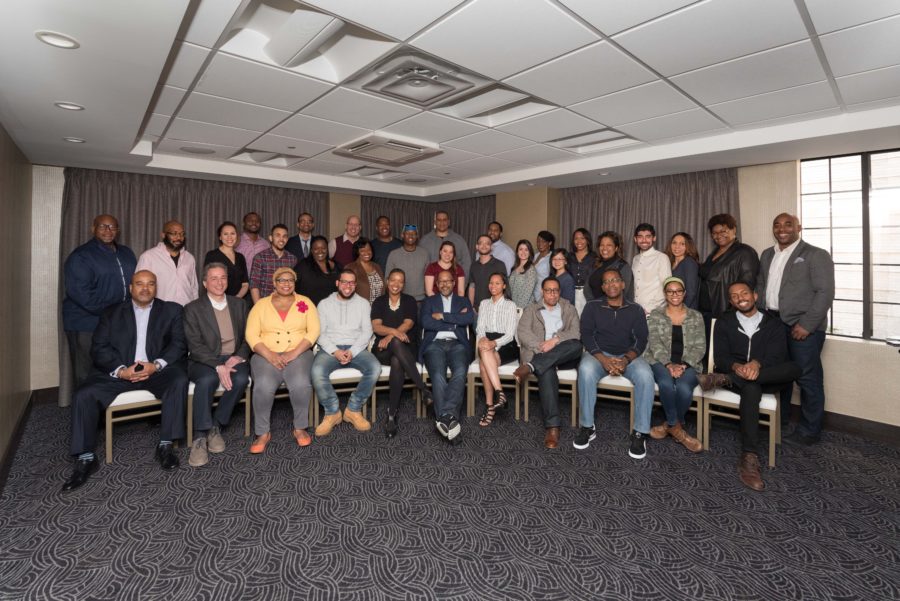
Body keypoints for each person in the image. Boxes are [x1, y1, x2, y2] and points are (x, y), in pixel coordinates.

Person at [63, 270, 188, 491]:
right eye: (139, 284)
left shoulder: (171, 310)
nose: (145, 288)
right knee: (83, 394)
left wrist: (155, 365)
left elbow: (178, 344)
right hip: (121, 371)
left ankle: (166, 445)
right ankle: (86, 457)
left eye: (150, 284)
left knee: (178, 379)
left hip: (155, 370)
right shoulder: (111, 313)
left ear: (155, 288)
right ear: (131, 288)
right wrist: (121, 371)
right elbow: (98, 348)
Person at [699, 281, 801, 491]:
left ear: (755, 295)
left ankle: (723, 379)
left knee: (794, 368)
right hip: (740, 375)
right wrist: (737, 367)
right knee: (751, 388)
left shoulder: (773, 323)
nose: (740, 298)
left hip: (764, 375)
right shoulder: (724, 322)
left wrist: (757, 365)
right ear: (730, 301)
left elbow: (777, 355)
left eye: (744, 293)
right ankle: (749, 457)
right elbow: (721, 357)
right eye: (734, 295)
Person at [757, 213, 834, 445]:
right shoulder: (767, 254)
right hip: (772, 323)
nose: (782, 229)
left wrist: (807, 325)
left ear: (798, 227)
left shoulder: (815, 254)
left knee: (807, 378)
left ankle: (810, 431)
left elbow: (825, 292)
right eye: (777, 224)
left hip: (802, 326)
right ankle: (780, 423)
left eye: (788, 224)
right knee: (781, 376)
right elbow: (762, 285)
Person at [574, 268, 654, 460]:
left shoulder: (635, 309)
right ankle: (587, 426)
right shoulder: (592, 307)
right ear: (602, 287)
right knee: (584, 370)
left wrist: (626, 360)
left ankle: (640, 432)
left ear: (623, 284)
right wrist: (604, 359)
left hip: (628, 356)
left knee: (646, 376)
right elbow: (586, 335)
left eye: (615, 280)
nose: (611, 284)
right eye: (607, 282)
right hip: (599, 356)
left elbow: (641, 339)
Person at [183, 263, 251, 467]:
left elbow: (249, 338)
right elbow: (194, 345)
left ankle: (216, 425)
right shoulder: (192, 308)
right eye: (214, 278)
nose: (219, 282)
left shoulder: (239, 305)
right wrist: (217, 365)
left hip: (233, 357)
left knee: (240, 379)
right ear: (205, 283)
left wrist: (238, 357)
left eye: (223, 277)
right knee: (207, 379)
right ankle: (199, 436)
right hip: (203, 360)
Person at [245, 267, 319, 453]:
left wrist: (293, 354)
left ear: (295, 283)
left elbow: (314, 331)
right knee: (262, 385)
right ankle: (262, 433)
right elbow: (251, 335)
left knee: (301, 383)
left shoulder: (305, 302)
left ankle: (300, 428)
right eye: (281, 280)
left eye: (290, 280)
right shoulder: (261, 305)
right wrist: (270, 355)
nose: (286, 284)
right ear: (274, 283)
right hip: (265, 355)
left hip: (299, 353)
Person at [63, 214, 137, 387]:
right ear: (93, 228)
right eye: (103, 226)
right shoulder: (81, 256)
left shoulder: (126, 253)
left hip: (115, 322)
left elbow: (133, 284)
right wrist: (115, 313)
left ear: (117, 230)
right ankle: (84, 410)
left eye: (112, 227)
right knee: (86, 371)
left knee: (113, 366)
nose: (108, 230)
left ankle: (106, 409)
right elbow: (82, 295)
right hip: (85, 323)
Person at [513, 276, 583, 449]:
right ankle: (553, 427)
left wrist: (555, 341)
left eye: (555, 290)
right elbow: (522, 332)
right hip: (540, 353)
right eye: (548, 290)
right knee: (547, 370)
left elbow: (575, 332)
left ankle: (530, 366)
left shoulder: (569, 309)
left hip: (564, 354)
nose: (552, 294)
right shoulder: (532, 310)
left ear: (559, 292)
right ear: (542, 292)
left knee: (576, 345)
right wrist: (541, 347)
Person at [311, 269, 381, 436]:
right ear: (337, 283)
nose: (348, 286)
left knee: (375, 367)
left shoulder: (363, 304)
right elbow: (319, 333)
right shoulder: (324, 304)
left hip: (356, 347)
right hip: (330, 348)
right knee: (316, 371)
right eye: (344, 282)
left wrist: (353, 351)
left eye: (351, 282)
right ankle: (332, 412)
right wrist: (335, 351)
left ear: (355, 285)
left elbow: (367, 331)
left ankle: (353, 409)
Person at [644, 277, 705, 453]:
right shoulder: (656, 314)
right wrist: (669, 364)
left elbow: (700, 346)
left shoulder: (696, 316)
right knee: (666, 384)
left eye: (678, 291)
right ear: (665, 294)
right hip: (660, 361)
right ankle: (678, 429)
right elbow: (654, 343)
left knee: (684, 388)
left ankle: (669, 425)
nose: (674, 294)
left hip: (689, 363)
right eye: (670, 291)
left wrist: (684, 365)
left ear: (684, 293)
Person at [371, 269, 431, 438]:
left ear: (404, 284)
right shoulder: (379, 302)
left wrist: (390, 335)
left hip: (406, 348)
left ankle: (391, 415)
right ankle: (423, 389)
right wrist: (394, 333)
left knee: (398, 358)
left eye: (400, 281)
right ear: (387, 281)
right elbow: (376, 326)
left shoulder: (410, 301)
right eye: (393, 280)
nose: (396, 284)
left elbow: (408, 324)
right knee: (396, 345)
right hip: (382, 350)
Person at [421, 270, 475, 442]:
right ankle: (450, 418)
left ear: (454, 283)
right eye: (441, 281)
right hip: (434, 345)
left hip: (457, 344)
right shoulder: (429, 301)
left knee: (460, 372)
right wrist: (453, 322)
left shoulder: (463, 300)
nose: (444, 284)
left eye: (448, 281)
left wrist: (443, 317)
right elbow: (426, 322)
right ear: (436, 284)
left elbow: (467, 319)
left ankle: (444, 417)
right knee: (438, 375)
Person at [475, 273, 520, 427]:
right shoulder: (483, 303)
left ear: (504, 286)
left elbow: (510, 334)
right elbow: (480, 327)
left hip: (506, 344)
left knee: (483, 362)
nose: (493, 286)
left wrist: (493, 343)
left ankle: (490, 406)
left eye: (497, 283)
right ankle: (499, 396)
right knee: (484, 355)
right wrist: (482, 339)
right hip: (486, 341)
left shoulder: (510, 305)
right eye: (491, 283)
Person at [699, 213, 759, 323]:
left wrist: (733, 311)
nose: (719, 235)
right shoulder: (714, 253)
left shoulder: (745, 252)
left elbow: (747, 285)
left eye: (723, 231)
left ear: (734, 230)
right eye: (715, 233)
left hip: (727, 312)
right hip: (706, 312)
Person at [136, 220, 199, 306]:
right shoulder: (148, 257)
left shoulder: (189, 258)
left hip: (186, 310)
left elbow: (194, 288)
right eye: (174, 234)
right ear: (163, 235)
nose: (178, 237)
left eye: (182, 234)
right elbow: (138, 286)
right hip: (160, 311)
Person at [249, 224, 298, 303]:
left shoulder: (292, 259)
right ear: (271, 238)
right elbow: (254, 284)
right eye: (278, 236)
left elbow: (294, 284)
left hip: (286, 304)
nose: (281, 239)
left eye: (284, 236)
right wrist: (258, 307)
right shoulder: (260, 257)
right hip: (265, 304)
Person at [631, 223, 671, 313]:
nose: (644, 240)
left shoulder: (662, 257)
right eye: (640, 237)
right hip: (635, 309)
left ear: (654, 238)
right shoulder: (635, 259)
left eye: (648, 236)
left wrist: (652, 308)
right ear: (635, 239)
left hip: (654, 311)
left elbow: (666, 285)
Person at [420, 210, 472, 279]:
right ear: (435, 222)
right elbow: (420, 265)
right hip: (431, 285)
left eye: (444, 220)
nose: (442, 222)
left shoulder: (459, 240)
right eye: (439, 220)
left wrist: (462, 284)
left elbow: (466, 263)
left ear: (448, 222)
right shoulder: (424, 241)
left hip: (454, 285)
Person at [203, 221, 249, 299]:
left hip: (238, 301)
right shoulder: (212, 255)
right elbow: (208, 282)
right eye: (225, 234)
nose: (229, 237)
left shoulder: (240, 257)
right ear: (220, 237)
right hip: (218, 301)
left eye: (232, 233)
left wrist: (236, 299)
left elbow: (245, 284)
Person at [585, 231, 633, 303]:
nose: (604, 248)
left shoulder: (623, 266)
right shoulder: (596, 264)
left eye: (609, 245)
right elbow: (587, 288)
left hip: (613, 310)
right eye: (602, 245)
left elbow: (625, 294)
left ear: (616, 248)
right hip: (594, 308)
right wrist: (593, 305)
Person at [385, 224, 430, 302]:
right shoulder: (394, 254)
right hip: (400, 299)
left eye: (413, 233)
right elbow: (387, 278)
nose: (410, 235)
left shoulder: (424, 253)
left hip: (421, 300)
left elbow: (429, 277)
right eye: (407, 233)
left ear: (417, 236)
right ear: (402, 235)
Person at [295, 235, 341, 305]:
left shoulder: (337, 266)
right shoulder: (303, 266)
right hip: (310, 310)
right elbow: (292, 284)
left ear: (327, 249)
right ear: (312, 250)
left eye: (323, 248)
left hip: (331, 310)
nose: (320, 251)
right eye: (316, 248)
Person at [468, 234, 507, 309]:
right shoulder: (473, 266)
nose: (484, 245)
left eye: (487, 243)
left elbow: (504, 288)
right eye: (481, 243)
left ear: (491, 247)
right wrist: (470, 307)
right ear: (477, 246)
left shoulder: (500, 265)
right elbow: (472, 287)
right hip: (476, 309)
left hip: (494, 309)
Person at [666, 232, 701, 310]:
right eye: (674, 243)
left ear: (688, 247)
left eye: (682, 244)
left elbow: (691, 292)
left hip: (686, 310)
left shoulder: (689, 263)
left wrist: (680, 310)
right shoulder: (669, 262)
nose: (677, 246)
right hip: (672, 308)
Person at [345, 237, 385, 304]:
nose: (367, 252)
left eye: (369, 249)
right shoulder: (351, 268)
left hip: (378, 310)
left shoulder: (377, 267)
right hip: (359, 310)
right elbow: (346, 291)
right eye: (362, 250)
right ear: (357, 252)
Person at [567, 228, 596, 315]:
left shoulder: (595, 257)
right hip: (571, 293)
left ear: (587, 240)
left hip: (589, 294)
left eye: (582, 238)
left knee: (587, 320)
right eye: (576, 238)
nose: (579, 241)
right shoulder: (568, 257)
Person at [509, 239, 537, 309]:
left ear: (530, 252)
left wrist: (517, 309)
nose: (523, 252)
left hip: (526, 309)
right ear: (517, 252)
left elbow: (526, 294)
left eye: (526, 250)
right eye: (521, 249)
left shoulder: (531, 270)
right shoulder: (514, 268)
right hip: (513, 306)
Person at [533, 230, 555, 302]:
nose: (540, 244)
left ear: (550, 243)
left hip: (544, 293)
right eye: (538, 241)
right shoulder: (535, 256)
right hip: (532, 292)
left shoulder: (552, 258)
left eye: (543, 241)